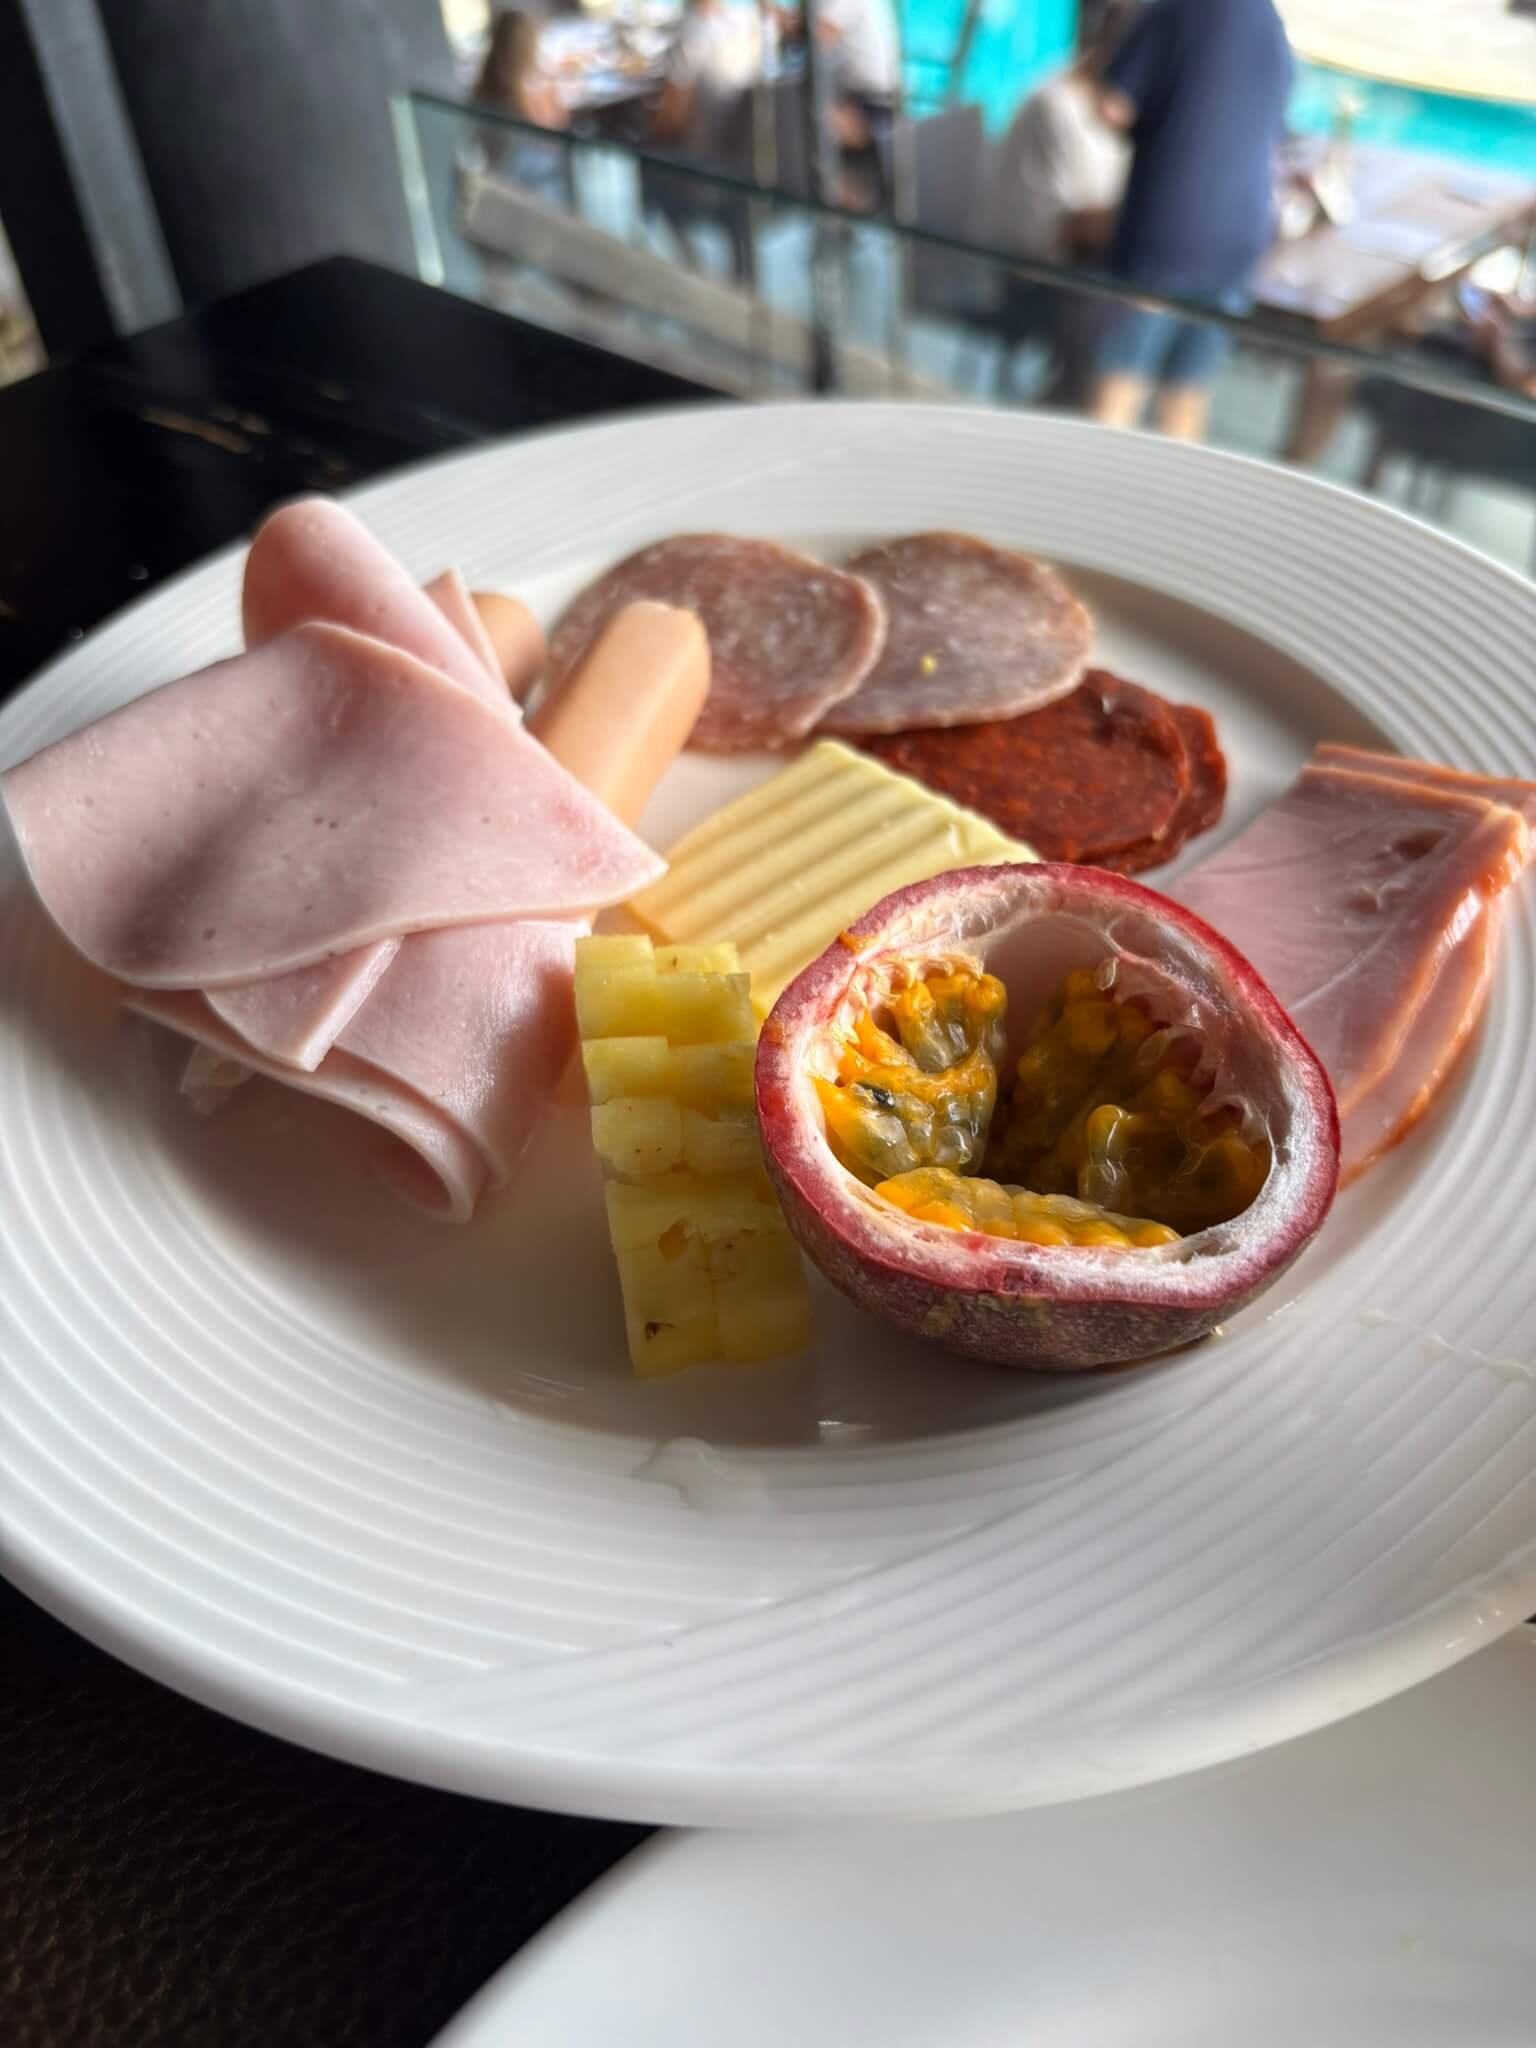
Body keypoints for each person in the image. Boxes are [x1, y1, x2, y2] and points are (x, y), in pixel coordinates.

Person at [1087, 0, 1293, 440]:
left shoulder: (1172, 11)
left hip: (1167, 234)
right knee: (1186, 394)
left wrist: (1103, 53)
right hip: (1241, 239)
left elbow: (1114, 107)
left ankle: (1091, 482)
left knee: (1121, 387)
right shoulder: (1270, 22)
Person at [985, 6, 1130, 268]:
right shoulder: (1053, 107)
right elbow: (1054, 231)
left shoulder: (1112, 109)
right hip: (1035, 276)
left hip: (1072, 269)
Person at [472, 8, 568, 195]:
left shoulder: (483, 85)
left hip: (498, 174)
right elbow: (553, 136)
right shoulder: (524, 91)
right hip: (529, 182)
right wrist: (553, 93)